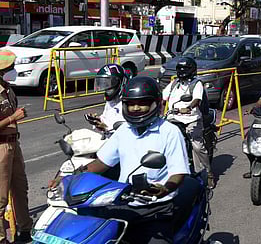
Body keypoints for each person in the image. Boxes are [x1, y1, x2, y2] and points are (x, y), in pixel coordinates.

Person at [50, 76, 191, 243]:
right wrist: (70, 176)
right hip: (123, 203)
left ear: (155, 104)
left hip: (155, 209)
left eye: (143, 103)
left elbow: (178, 173)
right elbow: (101, 163)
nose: (136, 108)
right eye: (131, 104)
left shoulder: (170, 132)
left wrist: (164, 189)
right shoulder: (124, 130)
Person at [162, 57, 215, 189]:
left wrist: (189, 108)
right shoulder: (174, 83)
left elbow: (197, 99)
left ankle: (209, 174)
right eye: (180, 68)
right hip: (173, 118)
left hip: (191, 119)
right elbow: (164, 96)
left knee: (197, 146)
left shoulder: (196, 84)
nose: (182, 71)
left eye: (185, 69)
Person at [0, 50, 33, 244]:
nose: (13, 70)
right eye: (9, 67)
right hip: (1, 148)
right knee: (1, 198)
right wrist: (13, 118)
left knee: (20, 189)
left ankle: (25, 229)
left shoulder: (8, 89)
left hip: (14, 145)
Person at [88, 64, 129, 131]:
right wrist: (97, 120)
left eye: (110, 83)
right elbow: (106, 118)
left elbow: (126, 128)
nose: (107, 88)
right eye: (105, 84)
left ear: (121, 82)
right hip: (107, 137)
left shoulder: (128, 103)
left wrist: (106, 128)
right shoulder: (111, 101)